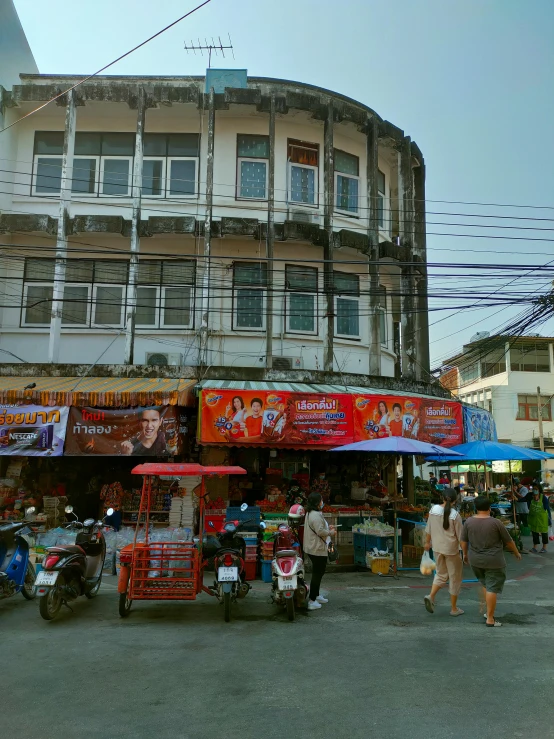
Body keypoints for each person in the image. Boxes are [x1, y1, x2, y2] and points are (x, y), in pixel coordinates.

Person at [460, 495, 522, 627]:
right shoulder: (496, 523)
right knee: (492, 588)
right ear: (489, 508)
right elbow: (509, 541)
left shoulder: (468, 522)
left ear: (476, 508)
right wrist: (516, 552)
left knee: (486, 584)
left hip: (475, 560)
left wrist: (465, 554)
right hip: (494, 561)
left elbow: (463, 541)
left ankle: (487, 611)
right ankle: (490, 618)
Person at [423, 488, 464, 617]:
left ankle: (431, 596)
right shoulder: (455, 515)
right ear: (455, 500)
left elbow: (428, 529)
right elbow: (461, 537)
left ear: (442, 497)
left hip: (437, 548)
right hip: (451, 550)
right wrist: (466, 553)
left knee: (440, 574)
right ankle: (453, 608)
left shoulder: (433, 510)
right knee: (454, 577)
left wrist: (427, 543)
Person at [303, 492, 336, 611]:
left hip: (314, 547)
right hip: (316, 548)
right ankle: (312, 600)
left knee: (320, 572)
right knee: (317, 574)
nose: (322, 502)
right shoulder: (315, 515)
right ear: (317, 502)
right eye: (321, 500)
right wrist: (331, 532)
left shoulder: (311, 514)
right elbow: (320, 531)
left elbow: (321, 529)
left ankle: (316, 595)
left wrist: (328, 528)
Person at [528, 484, 551, 553]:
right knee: (534, 533)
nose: (534, 490)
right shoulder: (531, 497)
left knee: (544, 533)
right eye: (533, 489)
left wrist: (550, 520)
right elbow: (524, 500)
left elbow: (548, 509)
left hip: (542, 519)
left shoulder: (543, 498)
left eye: (536, 489)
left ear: (539, 490)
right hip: (534, 519)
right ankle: (535, 547)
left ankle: (544, 548)